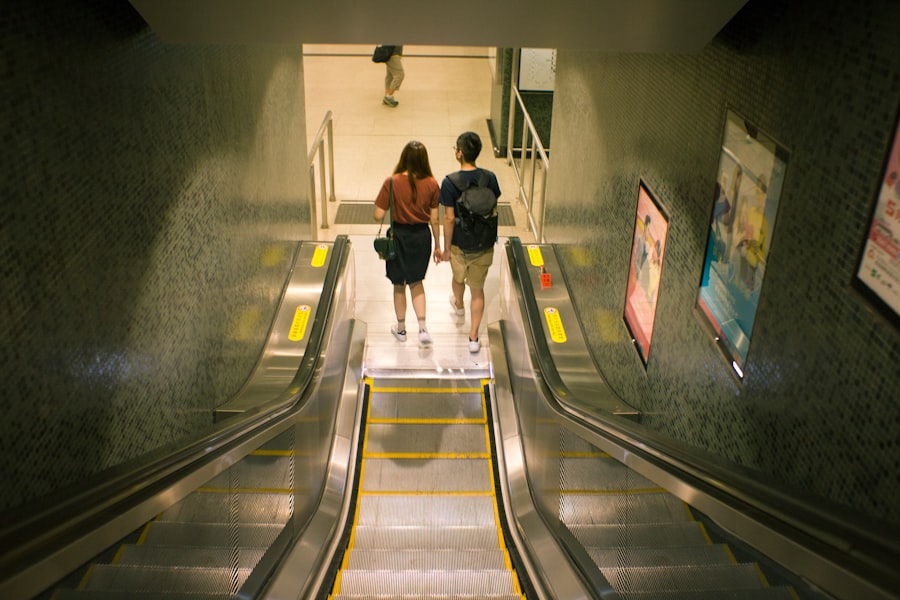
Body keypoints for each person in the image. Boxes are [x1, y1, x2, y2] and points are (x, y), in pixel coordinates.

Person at [374, 141, 442, 347]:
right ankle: (422, 328)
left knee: (398, 284)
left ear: (403, 158)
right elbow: (435, 220)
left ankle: (401, 329)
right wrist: (438, 246)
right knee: (416, 282)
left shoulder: (391, 182)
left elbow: (378, 215)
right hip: (421, 237)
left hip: (398, 237)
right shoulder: (432, 184)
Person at [439, 131, 502, 353]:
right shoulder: (490, 178)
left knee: (458, 279)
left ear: (459, 153)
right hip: (484, 244)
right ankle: (473, 337)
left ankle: (458, 305)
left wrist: (446, 248)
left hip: (460, 244)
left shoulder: (449, 183)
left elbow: (448, 218)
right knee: (478, 289)